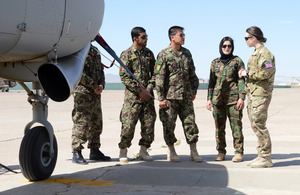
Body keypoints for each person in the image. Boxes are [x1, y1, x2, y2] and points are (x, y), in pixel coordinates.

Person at [155, 26, 202, 162]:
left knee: (190, 124)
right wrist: (161, 98)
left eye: (183, 35)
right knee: (169, 125)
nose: (184, 37)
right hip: (170, 98)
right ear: (172, 37)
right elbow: (160, 78)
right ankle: (171, 151)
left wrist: (193, 91)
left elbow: (193, 74)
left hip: (186, 97)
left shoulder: (187, 53)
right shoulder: (164, 54)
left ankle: (194, 151)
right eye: (181, 35)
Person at [239, 26, 276, 168]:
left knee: (259, 123)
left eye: (247, 38)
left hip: (261, 93)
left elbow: (267, 73)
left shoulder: (265, 54)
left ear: (254, 38)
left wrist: (247, 74)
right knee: (255, 123)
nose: (246, 41)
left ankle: (266, 157)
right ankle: (261, 154)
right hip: (254, 93)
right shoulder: (256, 53)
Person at [118, 27, 156, 163]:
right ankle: (123, 150)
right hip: (133, 98)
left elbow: (155, 74)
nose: (146, 39)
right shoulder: (126, 54)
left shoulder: (149, 54)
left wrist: (149, 89)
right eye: (143, 37)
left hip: (147, 97)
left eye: (146, 36)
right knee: (128, 126)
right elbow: (124, 76)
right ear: (135, 39)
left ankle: (144, 150)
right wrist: (139, 91)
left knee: (149, 125)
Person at [206, 37, 245, 162]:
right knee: (219, 129)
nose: (227, 48)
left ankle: (238, 152)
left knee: (236, 128)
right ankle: (221, 151)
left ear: (232, 47)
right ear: (220, 47)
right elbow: (211, 82)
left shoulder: (237, 61)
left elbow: (241, 81)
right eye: (224, 46)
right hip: (218, 101)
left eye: (229, 46)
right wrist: (209, 99)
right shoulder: (215, 63)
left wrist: (241, 98)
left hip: (233, 101)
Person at [71, 43, 111, 164]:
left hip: (95, 93)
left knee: (96, 122)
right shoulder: (78, 49)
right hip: (83, 93)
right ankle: (76, 151)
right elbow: (78, 72)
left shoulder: (95, 50)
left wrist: (101, 85)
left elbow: (101, 70)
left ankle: (94, 150)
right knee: (82, 122)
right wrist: (94, 85)